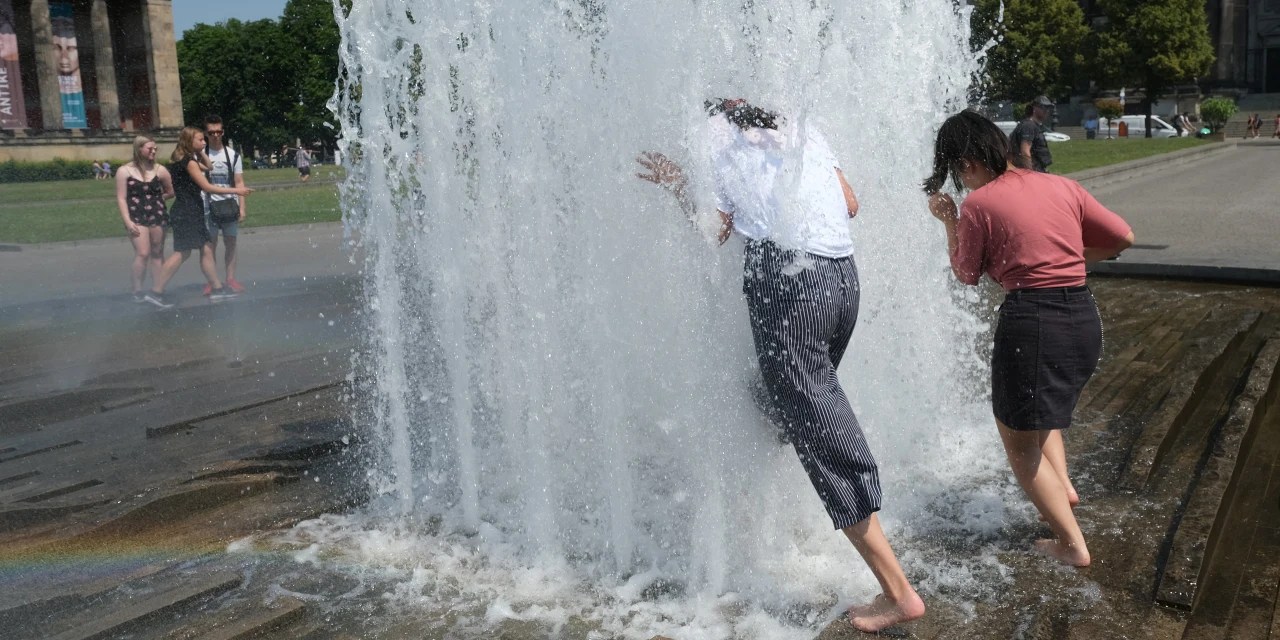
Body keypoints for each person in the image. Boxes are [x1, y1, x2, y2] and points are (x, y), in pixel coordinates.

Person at [637, 98, 925, 633]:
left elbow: (712, 230)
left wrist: (680, 185)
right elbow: (851, 203)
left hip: (790, 283)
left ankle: (898, 592)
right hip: (842, 280)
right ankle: (776, 491)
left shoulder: (711, 135)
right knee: (778, 403)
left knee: (823, 434)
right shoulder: (799, 127)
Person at [923, 110, 1134, 568]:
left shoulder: (979, 204)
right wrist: (1062, 254)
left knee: (1018, 441)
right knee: (1044, 416)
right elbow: (1123, 236)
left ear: (966, 162)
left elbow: (965, 273)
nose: (963, 180)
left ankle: (1072, 545)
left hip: (1033, 322)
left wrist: (949, 221)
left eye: (958, 171)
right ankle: (1064, 490)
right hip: (1083, 316)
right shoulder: (1060, 185)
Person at [142, 127, 252, 308]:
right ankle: (156, 291)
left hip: (190, 210)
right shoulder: (189, 162)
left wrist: (201, 152)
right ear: (188, 141)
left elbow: (209, 167)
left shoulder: (183, 159)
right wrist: (237, 190)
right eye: (200, 140)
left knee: (206, 249)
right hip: (187, 211)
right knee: (182, 253)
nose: (204, 143)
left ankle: (217, 289)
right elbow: (207, 187)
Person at [114, 136, 173, 302]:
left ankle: (157, 290)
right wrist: (127, 220)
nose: (153, 151)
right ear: (139, 149)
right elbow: (121, 198)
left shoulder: (160, 170)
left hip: (157, 214)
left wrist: (156, 199)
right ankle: (137, 291)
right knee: (143, 253)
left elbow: (171, 191)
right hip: (135, 215)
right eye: (150, 149)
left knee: (157, 252)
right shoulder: (124, 171)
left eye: (155, 149)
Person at [202, 115, 247, 294]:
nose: (215, 135)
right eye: (211, 132)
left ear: (223, 132)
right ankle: (212, 280)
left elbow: (239, 183)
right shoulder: (200, 154)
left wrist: (242, 207)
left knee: (231, 242)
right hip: (207, 206)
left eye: (218, 131)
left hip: (229, 204)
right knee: (210, 245)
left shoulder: (232, 155)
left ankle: (230, 279)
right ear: (206, 133)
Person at [1009, 95, 1053, 172]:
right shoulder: (1028, 126)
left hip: (1038, 170)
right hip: (1032, 172)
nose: (1046, 110)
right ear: (1034, 108)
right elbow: (1025, 152)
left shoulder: (1033, 126)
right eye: (1043, 107)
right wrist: (1030, 175)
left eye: (1048, 108)